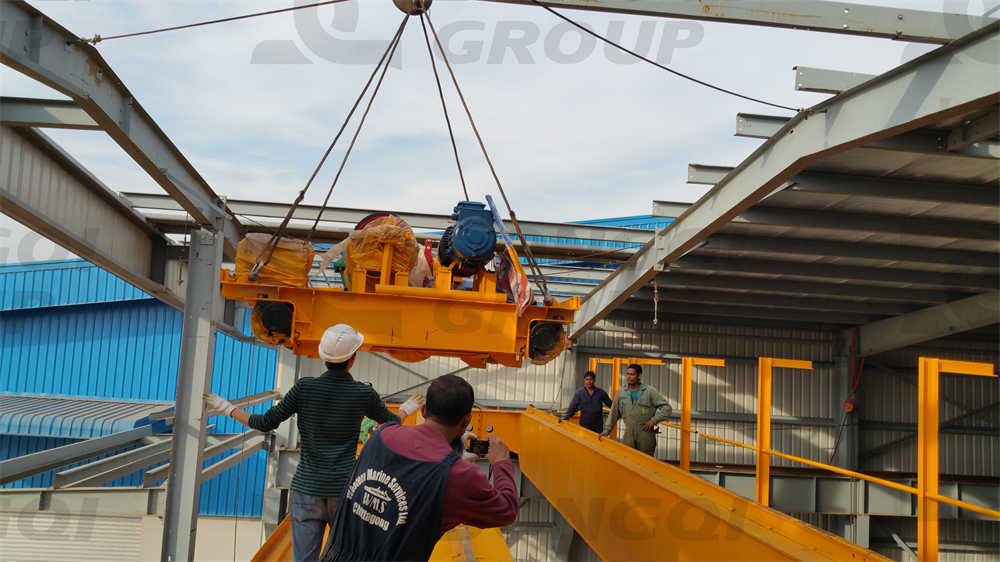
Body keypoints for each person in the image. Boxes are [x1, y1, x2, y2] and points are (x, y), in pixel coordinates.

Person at [204, 324, 424, 562]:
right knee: (344, 556)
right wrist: (405, 409)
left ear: (323, 356)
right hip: (344, 491)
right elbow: (391, 425)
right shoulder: (362, 394)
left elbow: (264, 422)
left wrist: (226, 408)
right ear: (352, 358)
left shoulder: (304, 388)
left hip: (306, 491)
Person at [321, 374, 518, 561]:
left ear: (423, 410)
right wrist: (501, 463)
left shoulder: (381, 435)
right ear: (466, 421)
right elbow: (506, 510)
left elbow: (407, 473)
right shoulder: (456, 475)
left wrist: (453, 454)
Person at [600, 363, 671, 456]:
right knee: (628, 461)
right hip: (628, 434)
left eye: (632, 374)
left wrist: (653, 421)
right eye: (627, 374)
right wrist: (606, 431)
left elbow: (667, 408)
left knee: (646, 463)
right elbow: (614, 412)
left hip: (645, 434)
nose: (629, 377)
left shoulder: (649, 391)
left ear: (639, 376)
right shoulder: (621, 392)